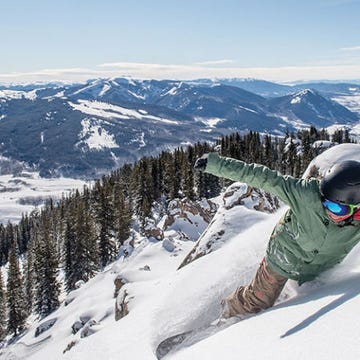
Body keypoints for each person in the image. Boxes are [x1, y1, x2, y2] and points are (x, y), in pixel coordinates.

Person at [194, 152, 360, 319]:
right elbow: (262, 177)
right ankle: (228, 313)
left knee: (307, 297)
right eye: (327, 202)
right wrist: (214, 164)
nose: (329, 210)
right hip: (284, 256)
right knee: (257, 302)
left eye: (338, 208)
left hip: (318, 269)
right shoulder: (305, 195)